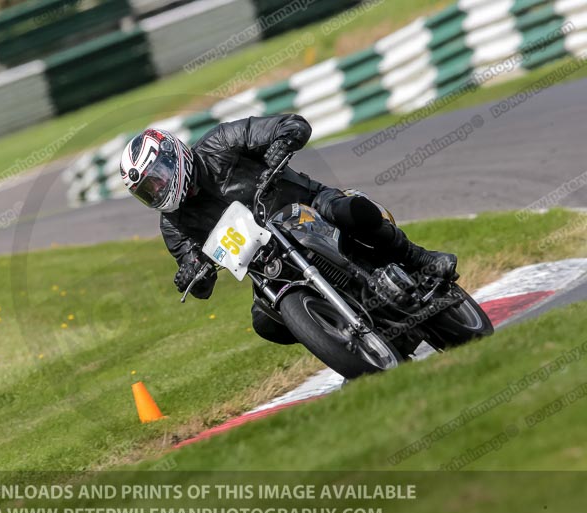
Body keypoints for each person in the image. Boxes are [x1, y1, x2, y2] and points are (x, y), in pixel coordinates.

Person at [119, 114, 457, 345]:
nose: (159, 190)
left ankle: (420, 259)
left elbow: (293, 124)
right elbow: (198, 278)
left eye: (158, 178)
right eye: (149, 190)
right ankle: (350, 345)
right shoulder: (174, 224)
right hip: (268, 265)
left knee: (352, 211)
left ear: (173, 154)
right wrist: (192, 273)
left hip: (307, 206)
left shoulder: (221, 142)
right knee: (265, 324)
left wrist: (282, 142)